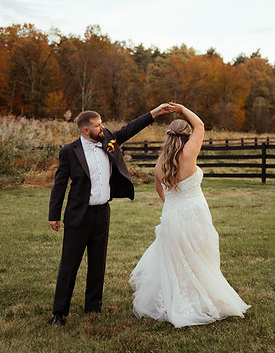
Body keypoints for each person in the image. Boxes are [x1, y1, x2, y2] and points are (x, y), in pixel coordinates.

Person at [129, 102, 251, 328]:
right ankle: (201, 299)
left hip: (172, 214)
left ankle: (176, 300)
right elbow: (200, 124)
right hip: (195, 214)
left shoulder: (160, 163)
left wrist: (173, 204)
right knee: (201, 257)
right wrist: (183, 109)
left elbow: (160, 190)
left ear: (168, 136)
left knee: (175, 260)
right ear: (186, 136)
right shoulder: (189, 153)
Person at [49, 104, 172, 326]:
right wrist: (53, 215)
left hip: (102, 213)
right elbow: (59, 184)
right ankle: (59, 312)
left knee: (98, 263)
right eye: (98, 125)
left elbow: (130, 128)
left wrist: (154, 113)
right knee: (69, 264)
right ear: (86, 130)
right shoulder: (69, 151)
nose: (102, 127)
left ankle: (93, 308)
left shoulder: (109, 140)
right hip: (78, 215)